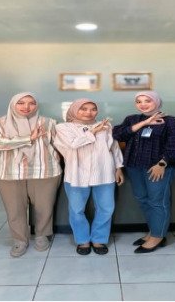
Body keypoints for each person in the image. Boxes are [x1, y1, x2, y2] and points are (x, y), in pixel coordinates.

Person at [0, 92, 62, 258]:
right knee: (14, 208)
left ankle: (42, 235)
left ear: (36, 105)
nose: (26, 107)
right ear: (13, 104)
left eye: (31, 103)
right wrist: (28, 138)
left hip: (44, 170)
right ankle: (19, 240)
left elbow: (58, 144)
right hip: (9, 172)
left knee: (44, 207)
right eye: (21, 103)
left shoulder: (48, 122)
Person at [112, 90, 175, 253]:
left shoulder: (170, 121)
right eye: (139, 101)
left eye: (147, 101)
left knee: (157, 201)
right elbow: (117, 134)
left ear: (157, 102)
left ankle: (158, 236)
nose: (143, 104)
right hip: (134, 166)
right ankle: (153, 231)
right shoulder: (132, 119)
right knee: (142, 199)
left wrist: (162, 163)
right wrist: (145, 123)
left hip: (158, 167)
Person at [54, 98, 124, 255]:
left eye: (93, 109)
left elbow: (114, 147)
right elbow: (73, 144)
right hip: (76, 174)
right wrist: (93, 131)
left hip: (104, 172)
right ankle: (82, 240)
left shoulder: (105, 126)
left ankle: (99, 239)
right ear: (74, 110)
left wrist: (119, 168)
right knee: (76, 209)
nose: (89, 112)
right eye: (83, 109)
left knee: (106, 208)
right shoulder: (63, 127)